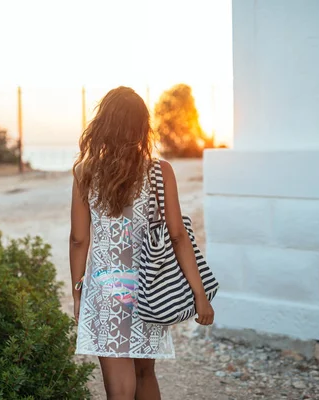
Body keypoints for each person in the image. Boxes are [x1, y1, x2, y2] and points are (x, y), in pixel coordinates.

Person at [70, 86, 214, 400]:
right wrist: (199, 294)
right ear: (141, 128)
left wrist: (78, 292)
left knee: (119, 388)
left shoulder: (85, 173)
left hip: (105, 292)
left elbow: (79, 239)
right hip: (147, 289)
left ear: (103, 125)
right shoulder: (160, 173)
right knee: (145, 373)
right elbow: (178, 236)